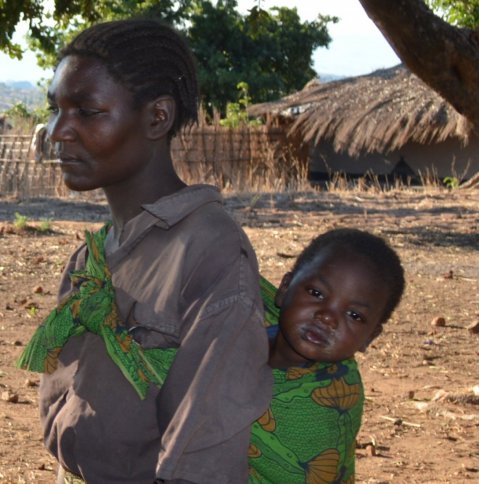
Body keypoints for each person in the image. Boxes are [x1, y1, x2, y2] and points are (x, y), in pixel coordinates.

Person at [15, 18, 271, 483]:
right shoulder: (94, 257)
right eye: (56, 108)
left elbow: (204, 450)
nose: (58, 131)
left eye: (87, 112)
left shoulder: (209, 253)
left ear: (157, 117)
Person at [249, 228, 405, 483]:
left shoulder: (326, 410)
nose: (327, 317)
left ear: (370, 337)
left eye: (354, 315)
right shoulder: (242, 318)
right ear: (285, 288)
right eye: (316, 293)